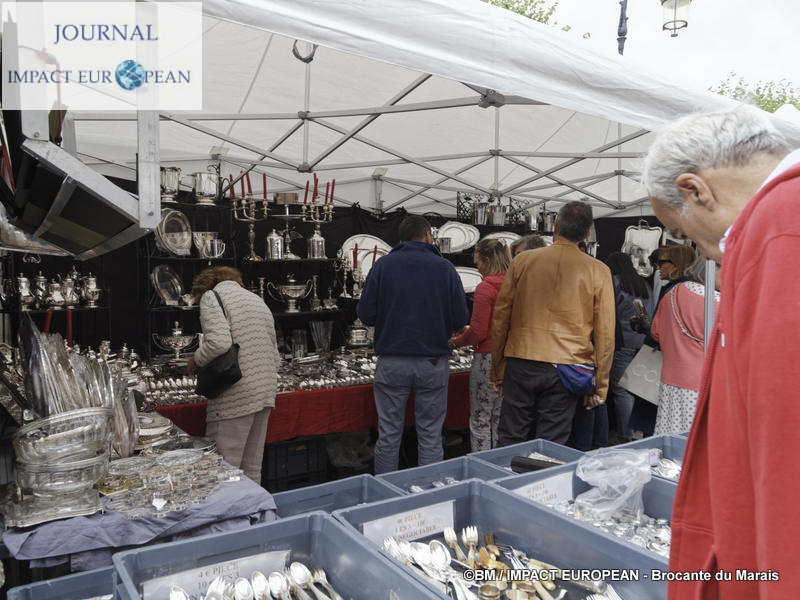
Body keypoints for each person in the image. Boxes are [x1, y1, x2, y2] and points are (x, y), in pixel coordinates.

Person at [641, 105, 800, 599]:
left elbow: (786, 438)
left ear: (695, 189)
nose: (703, 253)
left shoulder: (781, 228)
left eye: (687, 233)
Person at [491, 201, 615, 446]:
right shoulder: (597, 270)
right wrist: (600, 384)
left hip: (522, 358)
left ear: (555, 227)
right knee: (551, 443)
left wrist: (498, 368)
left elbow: (500, 317)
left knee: (511, 436)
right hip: (567, 365)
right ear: (586, 234)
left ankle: (502, 482)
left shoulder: (522, 261)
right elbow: (605, 332)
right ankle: (542, 483)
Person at [357, 215, 469, 474]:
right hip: (432, 361)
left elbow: (366, 313)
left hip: (393, 360)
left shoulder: (383, 266)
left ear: (401, 238)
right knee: (430, 435)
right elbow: (461, 318)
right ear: (428, 236)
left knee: (388, 435)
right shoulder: (444, 268)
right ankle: (427, 496)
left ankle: (386, 496)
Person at [187, 266, 278, 483]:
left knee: (223, 470)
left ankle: (228, 517)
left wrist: (195, 360)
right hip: (265, 390)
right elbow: (276, 355)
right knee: (252, 468)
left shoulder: (211, 296)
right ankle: (254, 516)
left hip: (235, 392)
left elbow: (218, 343)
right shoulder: (256, 300)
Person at [448, 239, 511, 451]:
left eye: (478, 264)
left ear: (487, 260)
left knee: (480, 418)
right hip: (510, 358)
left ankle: (482, 468)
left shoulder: (486, 287)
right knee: (500, 418)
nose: (478, 268)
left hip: (487, 360)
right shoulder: (514, 283)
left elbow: (478, 332)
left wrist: (456, 343)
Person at [628, 243, 696, 437]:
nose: (657, 267)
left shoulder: (672, 292)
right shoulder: (695, 291)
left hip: (664, 366)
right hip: (684, 369)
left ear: (675, 265)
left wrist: (643, 327)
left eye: (661, 262)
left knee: (652, 424)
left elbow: (658, 334)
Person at [650, 257, 719, 435]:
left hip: (670, 380)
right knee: (696, 440)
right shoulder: (719, 303)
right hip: (704, 383)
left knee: (669, 434)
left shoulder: (671, 294)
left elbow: (656, 332)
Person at [604, 251, 652, 443]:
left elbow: (608, 312)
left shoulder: (614, 283)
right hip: (642, 342)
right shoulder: (644, 285)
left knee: (621, 389)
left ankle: (626, 434)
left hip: (621, 342)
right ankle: (637, 432)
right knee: (637, 389)